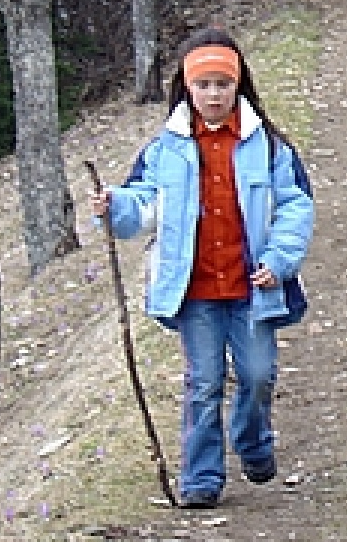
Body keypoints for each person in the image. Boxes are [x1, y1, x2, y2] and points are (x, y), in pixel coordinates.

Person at [90, 27, 315, 509]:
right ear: (187, 88)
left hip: (253, 287)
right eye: (204, 84)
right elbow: (143, 205)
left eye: (223, 84)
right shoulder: (164, 149)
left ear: (239, 85)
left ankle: (252, 442)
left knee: (258, 375)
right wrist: (115, 206)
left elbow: (296, 206)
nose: (214, 94)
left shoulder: (269, 146)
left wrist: (279, 260)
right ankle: (201, 476)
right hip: (194, 291)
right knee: (204, 383)